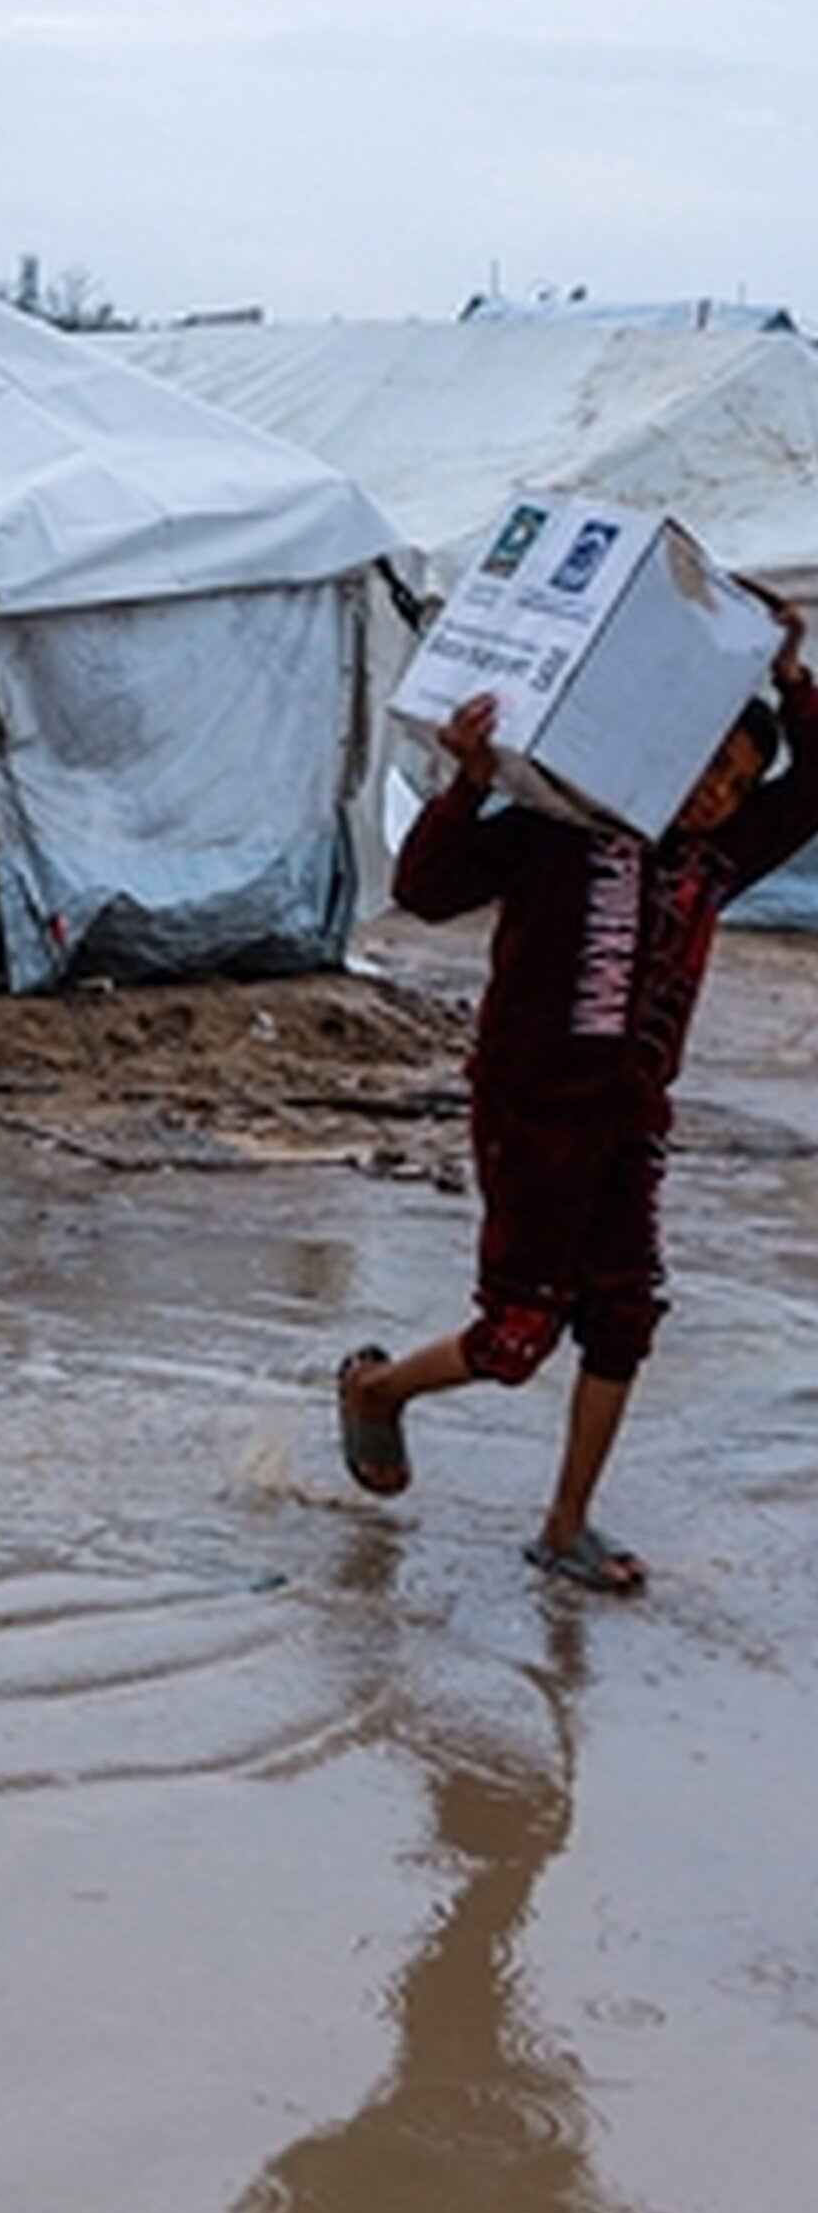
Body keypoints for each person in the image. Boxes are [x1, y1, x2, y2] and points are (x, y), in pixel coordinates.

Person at [337, 611, 818, 1590]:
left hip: (632, 1118)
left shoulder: (721, 857)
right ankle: (377, 1389)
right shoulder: (561, 826)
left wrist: (791, 676)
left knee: (623, 1319)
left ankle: (566, 1526)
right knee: (517, 1338)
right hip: (530, 1110)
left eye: (735, 785)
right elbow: (425, 889)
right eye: (705, 768)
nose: (716, 795)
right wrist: (468, 780)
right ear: (666, 747)